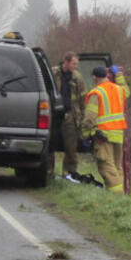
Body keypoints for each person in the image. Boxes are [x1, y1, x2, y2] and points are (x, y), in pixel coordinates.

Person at [83, 64, 130, 193]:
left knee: (106, 167)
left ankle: (117, 198)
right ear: (106, 75)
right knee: (116, 167)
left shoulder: (96, 93)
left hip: (103, 136)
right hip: (118, 134)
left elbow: (89, 118)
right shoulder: (119, 90)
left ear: (95, 77)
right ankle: (122, 197)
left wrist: (86, 134)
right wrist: (119, 75)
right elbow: (127, 90)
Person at [52, 52, 87, 181]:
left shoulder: (77, 77)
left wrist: (83, 116)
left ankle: (69, 174)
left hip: (70, 115)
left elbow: (83, 98)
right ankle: (48, 172)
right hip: (54, 114)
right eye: (73, 63)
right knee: (50, 144)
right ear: (65, 62)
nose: (75, 66)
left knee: (71, 146)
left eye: (76, 64)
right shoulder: (53, 73)